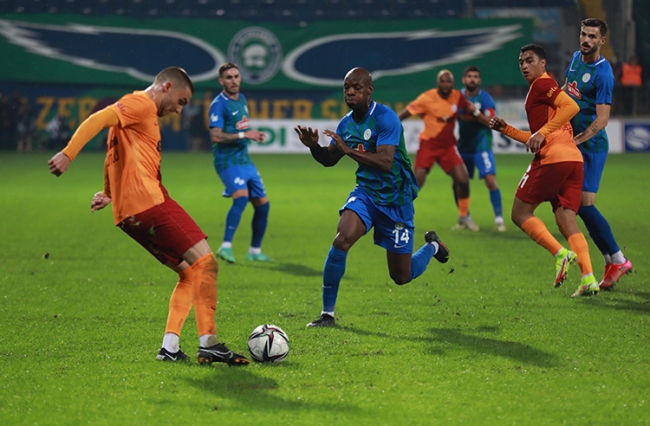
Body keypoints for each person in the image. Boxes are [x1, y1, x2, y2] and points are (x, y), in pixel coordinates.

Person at [47, 67, 249, 365]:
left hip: (127, 215)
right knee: (206, 263)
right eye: (180, 101)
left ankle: (170, 347)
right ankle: (209, 343)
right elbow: (97, 118)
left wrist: (110, 192)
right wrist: (68, 153)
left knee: (188, 273)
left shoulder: (132, 111)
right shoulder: (140, 103)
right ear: (166, 87)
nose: (179, 110)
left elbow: (112, 153)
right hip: (150, 203)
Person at [294, 67, 450, 327]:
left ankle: (433, 246)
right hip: (366, 194)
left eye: (356, 88)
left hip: (397, 201)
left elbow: (386, 162)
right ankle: (327, 314)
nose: (350, 92)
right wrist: (313, 147)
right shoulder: (346, 124)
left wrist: (348, 150)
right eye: (346, 88)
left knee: (400, 276)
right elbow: (329, 159)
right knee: (342, 238)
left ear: (369, 90)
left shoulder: (386, 118)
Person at [489, 44, 600, 297]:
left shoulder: (542, 84)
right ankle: (588, 278)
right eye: (521, 62)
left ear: (543, 63)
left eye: (529, 60)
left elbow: (571, 107)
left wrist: (542, 132)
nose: (524, 65)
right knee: (566, 221)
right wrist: (506, 129)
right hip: (573, 161)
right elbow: (535, 137)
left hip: (553, 159)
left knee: (520, 213)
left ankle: (560, 254)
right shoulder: (542, 91)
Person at [563, 18, 633, 290]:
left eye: (592, 36)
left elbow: (602, 119)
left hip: (591, 147)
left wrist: (577, 140)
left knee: (585, 205)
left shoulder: (603, 74)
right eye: (583, 34)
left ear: (602, 41)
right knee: (580, 207)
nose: (585, 40)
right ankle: (611, 260)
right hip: (573, 144)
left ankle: (618, 259)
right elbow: (566, 91)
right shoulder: (574, 59)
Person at [399, 69, 490, 231]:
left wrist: (489, 122)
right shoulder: (426, 98)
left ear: (453, 84)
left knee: (463, 180)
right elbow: (405, 114)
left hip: (448, 147)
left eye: (449, 81)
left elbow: (472, 111)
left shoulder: (458, 96)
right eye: (443, 81)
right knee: (416, 182)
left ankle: (464, 217)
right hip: (428, 145)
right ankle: (398, 215)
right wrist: (388, 126)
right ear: (438, 83)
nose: (446, 84)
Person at [208, 63, 271, 264]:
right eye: (229, 77)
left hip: (244, 160)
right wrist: (245, 135)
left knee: (263, 205)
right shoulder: (218, 105)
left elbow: (241, 129)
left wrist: (253, 135)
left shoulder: (242, 99)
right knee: (241, 198)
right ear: (221, 81)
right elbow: (216, 136)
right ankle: (225, 247)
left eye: (236, 76)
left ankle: (254, 251)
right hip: (227, 161)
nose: (234, 81)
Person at [457, 66, 506, 231]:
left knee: (490, 180)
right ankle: (464, 217)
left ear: (479, 80)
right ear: (464, 79)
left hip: (481, 145)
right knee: (459, 183)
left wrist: (476, 112)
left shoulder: (485, 99)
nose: (472, 79)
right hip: (463, 146)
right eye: (469, 76)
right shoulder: (457, 97)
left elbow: (491, 122)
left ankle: (499, 220)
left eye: (475, 76)